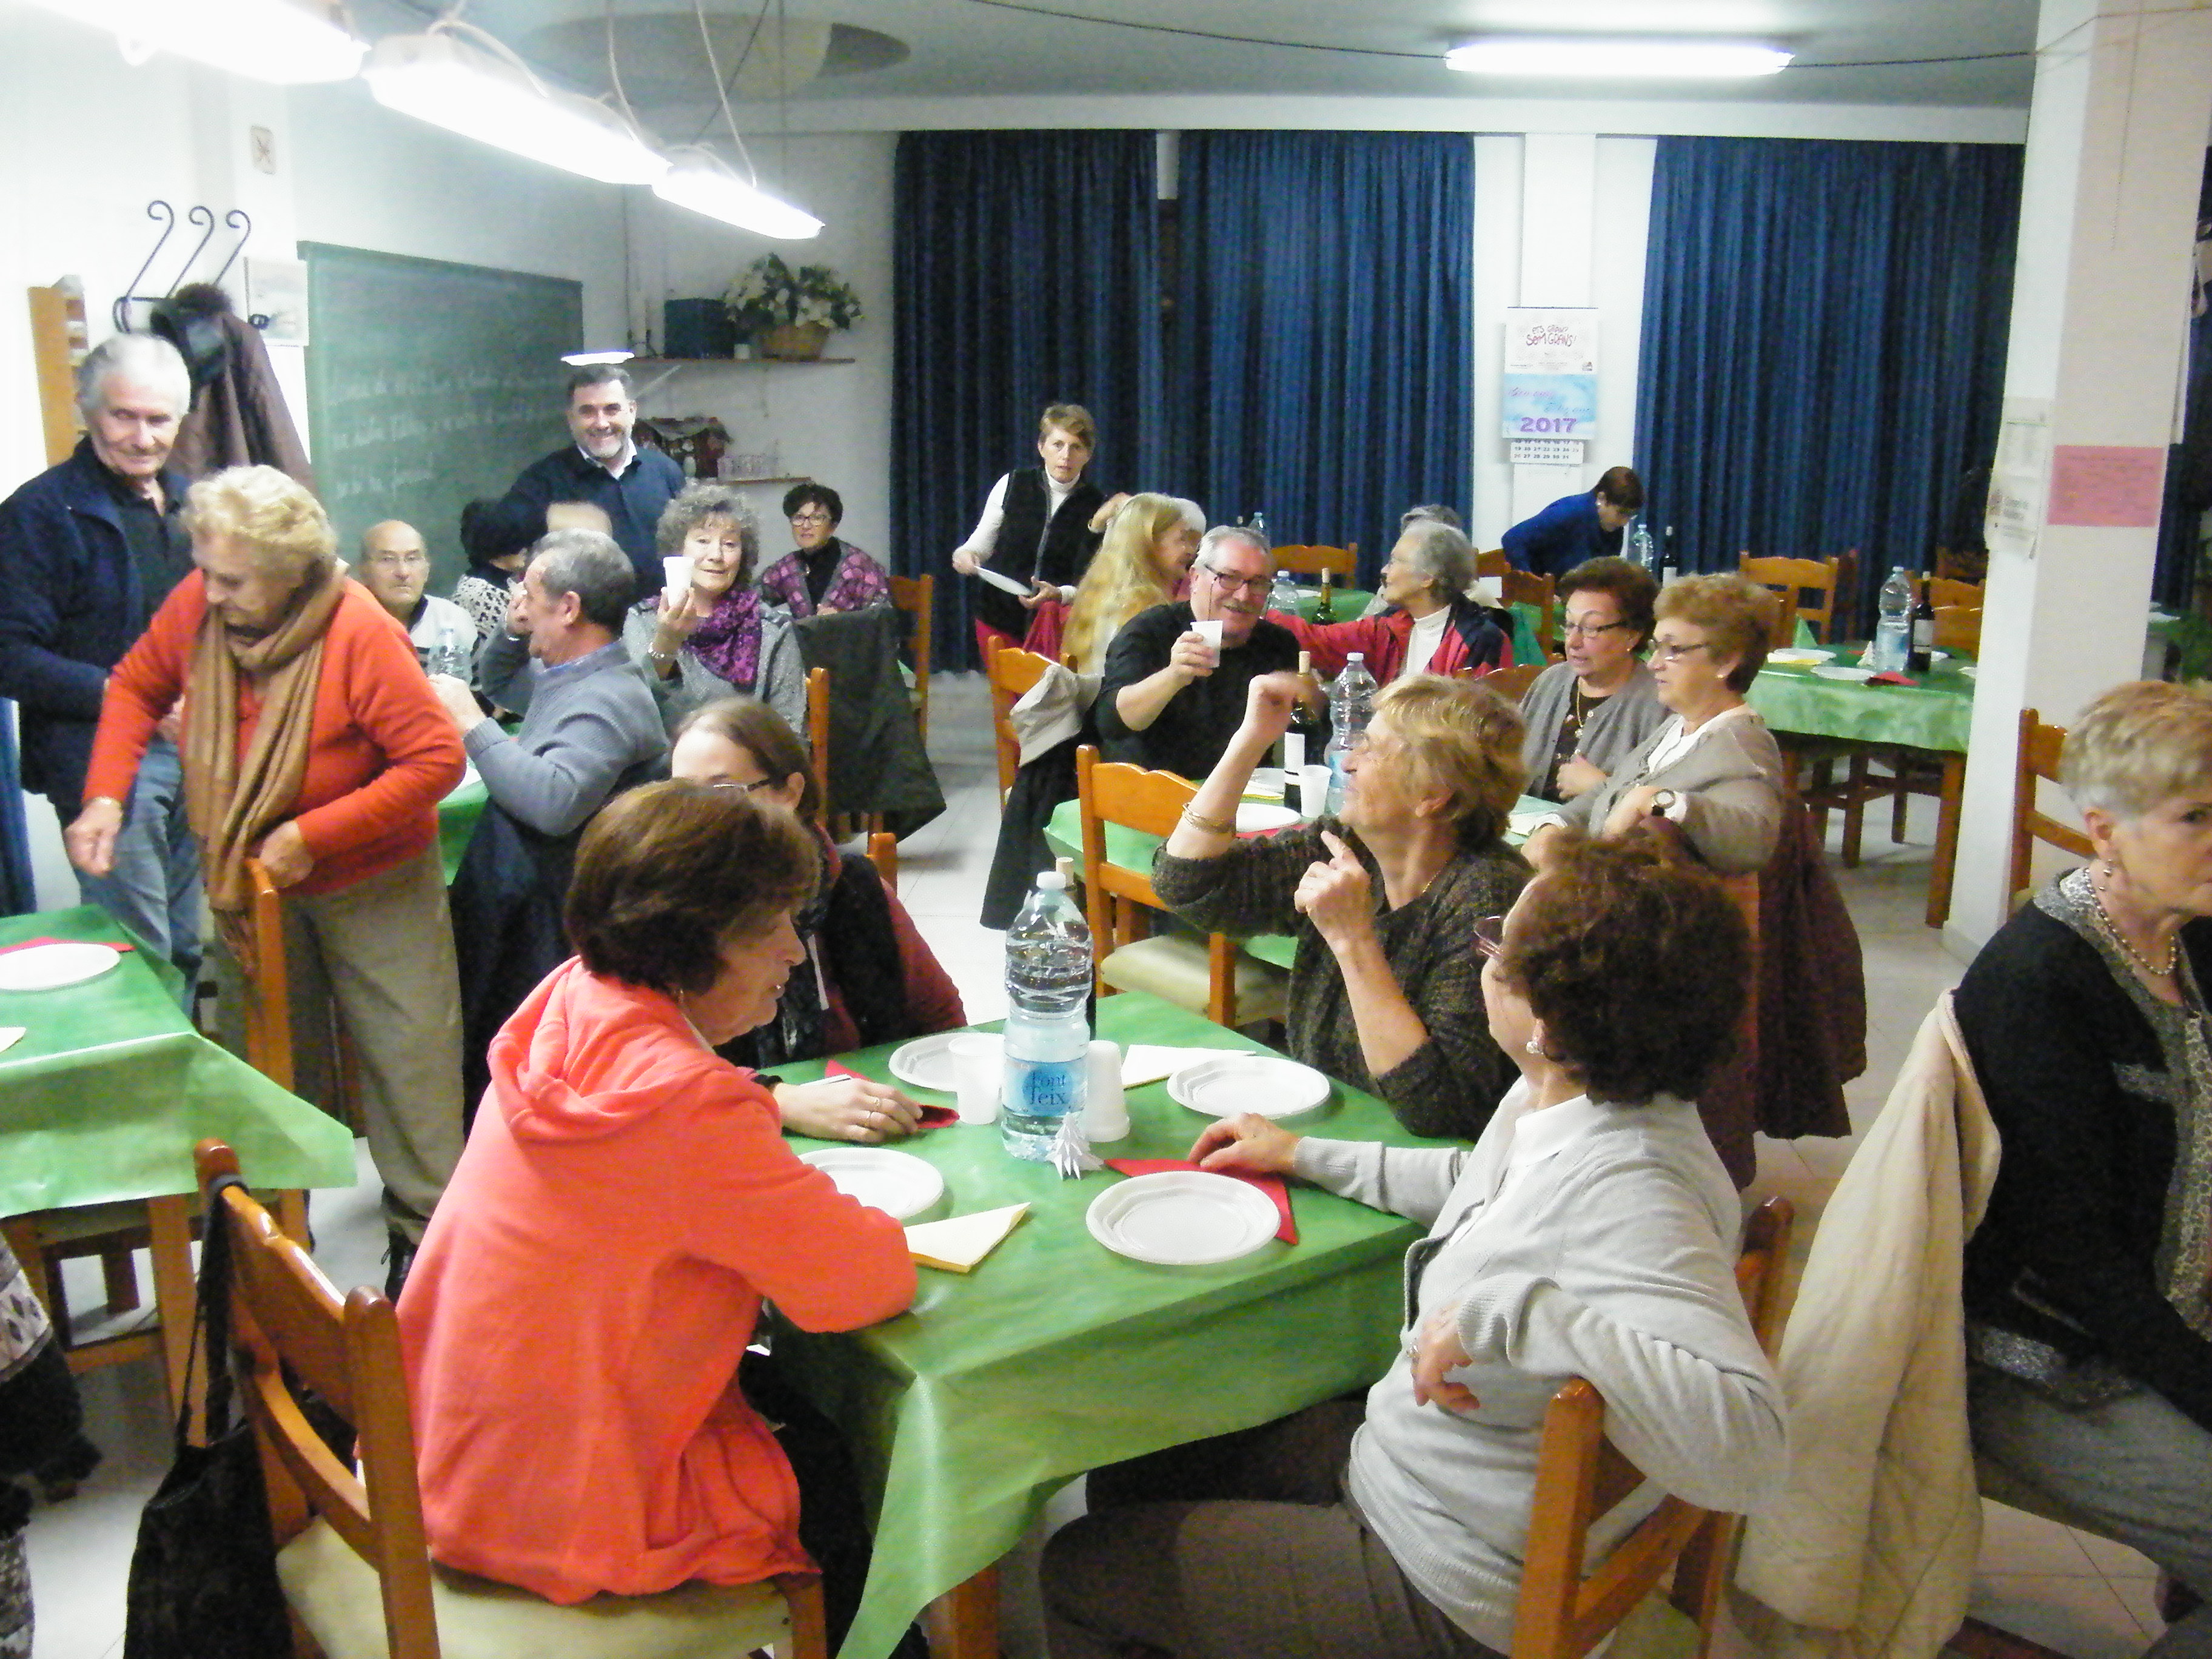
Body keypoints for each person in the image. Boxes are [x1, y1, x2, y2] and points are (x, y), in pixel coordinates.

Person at [1042, 841, 1785, 1659]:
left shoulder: (1637, 1189)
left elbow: (1750, 1453)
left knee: (1079, 1568)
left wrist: (1518, 1313)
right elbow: (1484, 1187)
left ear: (1547, 1022)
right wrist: (1303, 1155)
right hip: (1410, 1472)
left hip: (1448, 1579)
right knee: (1133, 1470)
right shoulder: (1573, 1098)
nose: (1483, 960)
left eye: (1496, 946)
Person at [397, 781, 917, 1642]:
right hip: (569, 1505)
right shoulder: (688, 1109)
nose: (794, 952)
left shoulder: (570, 998)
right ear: (689, 943)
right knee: (849, 1459)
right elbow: (865, 1283)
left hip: (450, 1451)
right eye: (770, 926)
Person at [68, 465, 467, 1293]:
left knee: (409, 1061)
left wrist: (312, 833)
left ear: (291, 573)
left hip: (375, 875)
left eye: (233, 580)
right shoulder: (202, 605)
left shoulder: (359, 631)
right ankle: (280, 1251)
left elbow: (435, 761)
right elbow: (136, 684)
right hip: (256, 879)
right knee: (270, 1064)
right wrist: (105, 796)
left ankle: (428, 1250)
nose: (210, 594)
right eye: (206, 572)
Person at [1956, 680, 2212, 1658]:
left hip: (2167, 1317)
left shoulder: (2193, 937)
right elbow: (2075, 1256)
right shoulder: (2041, 979)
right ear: (2104, 830)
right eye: (2196, 818)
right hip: (2048, 1356)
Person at [1155, 673, 1530, 1139]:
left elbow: (1439, 1107)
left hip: (1424, 1162)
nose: (1348, 762)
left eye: (1371, 750)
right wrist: (1249, 742)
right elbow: (1187, 885)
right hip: (1326, 1131)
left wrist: (1353, 939)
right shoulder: (1350, 845)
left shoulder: (1489, 900)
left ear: (1432, 795)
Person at [432, 528, 669, 1107]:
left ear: (569, 609)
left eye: (530, 593)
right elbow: (504, 682)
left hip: (563, 926)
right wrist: (515, 633)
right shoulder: (575, 671)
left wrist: (472, 724)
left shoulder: (609, 699)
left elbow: (553, 804)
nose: (519, 600)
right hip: (538, 905)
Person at [0, 335, 202, 992]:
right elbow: (10, 655)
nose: (143, 438)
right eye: (124, 416)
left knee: (188, 945)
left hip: (198, 750)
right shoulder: (38, 513)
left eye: (159, 419)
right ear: (88, 413)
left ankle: (186, 1056)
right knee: (141, 954)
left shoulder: (197, 506)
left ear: (180, 420)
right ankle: (153, 1061)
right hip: (100, 761)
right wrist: (131, 698)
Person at [670, 696, 964, 1142]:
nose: (696, 817)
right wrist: (779, 1099)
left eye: (722, 791)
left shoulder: (853, 886)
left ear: (790, 792)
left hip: (875, 1119)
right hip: (731, 1128)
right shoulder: (667, 909)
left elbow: (938, 1015)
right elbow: (658, 1061)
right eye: (679, 795)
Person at [1523, 573, 1783, 877]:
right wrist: (1555, 825)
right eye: (1656, 647)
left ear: (1726, 661)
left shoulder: (1742, 742)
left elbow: (1755, 841)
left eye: (1674, 650)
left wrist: (1658, 800)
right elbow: (1613, 790)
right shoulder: (1677, 726)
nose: (1653, 663)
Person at [1095, 524, 1304, 780]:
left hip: (1249, 792)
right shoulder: (1150, 631)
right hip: (1152, 790)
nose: (1243, 595)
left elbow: (1310, 734)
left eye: (1258, 583)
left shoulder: (1278, 644)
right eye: (1229, 578)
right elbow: (1112, 723)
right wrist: (1173, 676)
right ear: (1195, 578)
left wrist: (1309, 700)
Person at [621, 483, 805, 736]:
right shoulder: (643, 620)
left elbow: (790, 730)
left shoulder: (772, 629)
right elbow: (632, 713)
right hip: (669, 759)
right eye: (703, 541)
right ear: (678, 550)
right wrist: (667, 641)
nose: (716, 555)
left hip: (747, 758)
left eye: (729, 544)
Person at [478, 366, 685, 592]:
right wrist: (546, 518)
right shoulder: (541, 481)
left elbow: (691, 543)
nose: (601, 423)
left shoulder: (665, 471)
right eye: (588, 412)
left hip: (663, 610)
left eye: (612, 409)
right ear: (571, 418)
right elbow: (490, 542)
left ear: (632, 412)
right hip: (579, 614)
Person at [951, 403, 1112, 652]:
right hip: (997, 619)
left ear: (1088, 455)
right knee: (1005, 680)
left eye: (1076, 447)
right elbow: (979, 544)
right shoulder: (1013, 484)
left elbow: (1095, 582)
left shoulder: (1099, 506)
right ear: (1041, 447)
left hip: (1057, 627)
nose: (1066, 455)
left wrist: (1061, 594)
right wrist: (965, 555)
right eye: (1058, 445)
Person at [1272, 517, 1510, 682]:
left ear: (1427, 577)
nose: (1385, 571)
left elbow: (1466, 723)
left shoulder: (1480, 640)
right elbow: (1318, 641)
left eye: (1395, 562)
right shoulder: (1391, 625)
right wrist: (1257, 614)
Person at [1516, 556, 1667, 803]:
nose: (1573, 642)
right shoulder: (1551, 681)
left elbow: (1664, 803)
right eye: (1569, 625)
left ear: (1632, 635)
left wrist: (1603, 787)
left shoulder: (1658, 702)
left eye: (1592, 628)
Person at [1061, 492, 1200, 677]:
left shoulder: (1096, 592)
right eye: (1182, 539)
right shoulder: (1148, 609)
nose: (1191, 551)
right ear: (1149, 543)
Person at [354, 520, 476, 680]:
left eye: (412, 559)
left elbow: (482, 692)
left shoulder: (454, 619)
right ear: (363, 569)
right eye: (387, 559)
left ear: (427, 568)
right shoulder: (346, 623)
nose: (403, 572)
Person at [757, 482, 891, 617]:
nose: (806, 526)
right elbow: (751, 599)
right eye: (799, 518)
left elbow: (884, 617)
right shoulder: (788, 567)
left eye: (817, 518)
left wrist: (844, 619)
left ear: (833, 526)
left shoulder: (858, 566)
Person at [1501, 464, 1643, 578]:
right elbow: (1513, 539)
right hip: (1544, 597)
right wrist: (1534, 585)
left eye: (1630, 515)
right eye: (1621, 513)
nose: (1625, 522)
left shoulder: (1614, 527)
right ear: (1602, 499)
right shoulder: (1568, 512)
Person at [449, 497, 532, 648]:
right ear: (499, 541)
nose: (526, 549)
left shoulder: (506, 583)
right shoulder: (478, 596)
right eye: (517, 542)